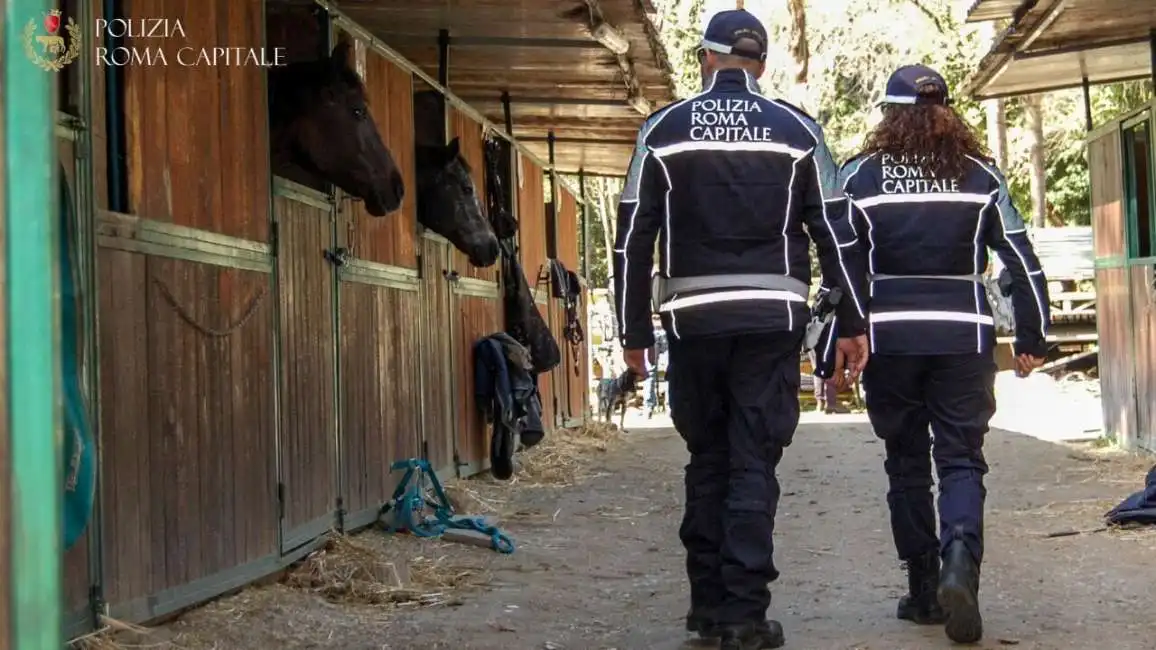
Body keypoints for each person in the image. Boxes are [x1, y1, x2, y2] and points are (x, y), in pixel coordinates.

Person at [612, 9, 870, 649]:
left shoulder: (662, 131)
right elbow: (834, 233)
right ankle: (745, 614)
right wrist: (853, 320)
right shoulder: (799, 131)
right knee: (753, 460)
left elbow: (631, 239)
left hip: (693, 324)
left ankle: (706, 605)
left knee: (709, 458)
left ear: (705, 58)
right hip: (771, 319)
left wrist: (632, 331)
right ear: (762, 62)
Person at [833, 64, 1050, 644]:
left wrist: (843, 335)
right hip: (963, 336)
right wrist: (1032, 335)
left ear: (888, 115)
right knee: (961, 459)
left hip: (890, 337)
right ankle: (961, 559)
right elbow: (1021, 259)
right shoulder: (980, 177)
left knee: (905, 461)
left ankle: (925, 589)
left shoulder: (859, 178)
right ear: (947, 114)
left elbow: (844, 268)